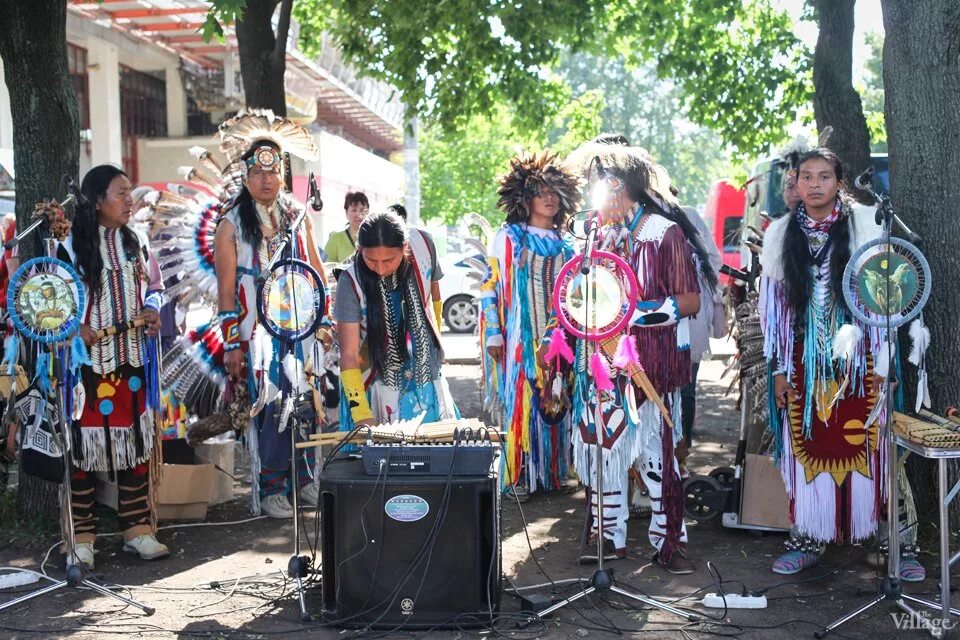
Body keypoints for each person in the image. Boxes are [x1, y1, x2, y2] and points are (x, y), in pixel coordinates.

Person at [759, 147, 924, 580]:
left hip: (864, 359)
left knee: (878, 447)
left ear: (839, 182)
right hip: (803, 364)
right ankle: (808, 538)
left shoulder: (868, 224)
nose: (814, 184)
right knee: (807, 449)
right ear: (795, 182)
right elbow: (774, 316)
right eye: (806, 176)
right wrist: (777, 368)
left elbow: (888, 295)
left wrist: (885, 360)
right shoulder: (780, 235)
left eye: (824, 176)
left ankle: (898, 544)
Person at [548, 140, 708, 574]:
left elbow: (689, 301)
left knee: (656, 451)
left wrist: (630, 314)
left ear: (626, 188)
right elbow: (576, 297)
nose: (597, 194)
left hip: (650, 363)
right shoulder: (590, 239)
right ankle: (607, 534)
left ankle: (668, 535)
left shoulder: (662, 233)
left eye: (605, 185)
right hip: (599, 362)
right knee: (604, 448)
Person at [213, 117, 328, 519]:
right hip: (257, 332)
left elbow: (316, 269)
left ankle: (306, 479)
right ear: (245, 177)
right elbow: (226, 291)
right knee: (271, 400)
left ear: (283, 176)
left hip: (300, 327)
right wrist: (232, 343)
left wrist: (324, 322)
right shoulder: (231, 225)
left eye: (273, 172)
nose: (266, 180)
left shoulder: (297, 217)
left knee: (306, 400)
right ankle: (272, 488)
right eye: (258, 173)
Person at [57, 164, 169, 569]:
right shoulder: (69, 247)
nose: (130, 201)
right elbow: (51, 301)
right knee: (84, 452)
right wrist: (76, 326)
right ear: (98, 200)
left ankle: (137, 530)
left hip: (134, 357)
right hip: (88, 366)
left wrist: (153, 310)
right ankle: (82, 537)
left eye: (130, 193)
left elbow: (155, 288)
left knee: (137, 445)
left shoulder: (136, 242)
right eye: (121, 194)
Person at [479, 151, 580, 498]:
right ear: (524, 198)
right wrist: (494, 330)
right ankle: (519, 475)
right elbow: (490, 285)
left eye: (554, 191)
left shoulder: (567, 244)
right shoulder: (509, 237)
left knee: (558, 396)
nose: (550, 198)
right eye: (541, 191)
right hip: (521, 337)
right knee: (524, 400)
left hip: (560, 336)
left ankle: (553, 471)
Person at [335, 211, 457, 429]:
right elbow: (348, 354)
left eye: (389, 260)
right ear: (360, 250)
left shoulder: (424, 247)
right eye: (371, 260)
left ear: (405, 248)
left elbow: (434, 293)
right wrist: (361, 413)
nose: (380, 269)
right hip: (374, 393)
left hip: (426, 382)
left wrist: (435, 343)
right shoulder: (350, 281)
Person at [676, 206, 725, 478]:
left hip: (688, 323)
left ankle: (680, 456)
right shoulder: (630, 218)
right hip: (648, 325)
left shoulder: (689, 217)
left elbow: (712, 261)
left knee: (685, 391)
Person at [325, 192, 369, 263]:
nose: (358, 214)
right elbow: (326, 266)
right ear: (346, 213)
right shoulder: (336, 238)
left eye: (362, 210)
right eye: (354, 210)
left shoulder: (374, 238)